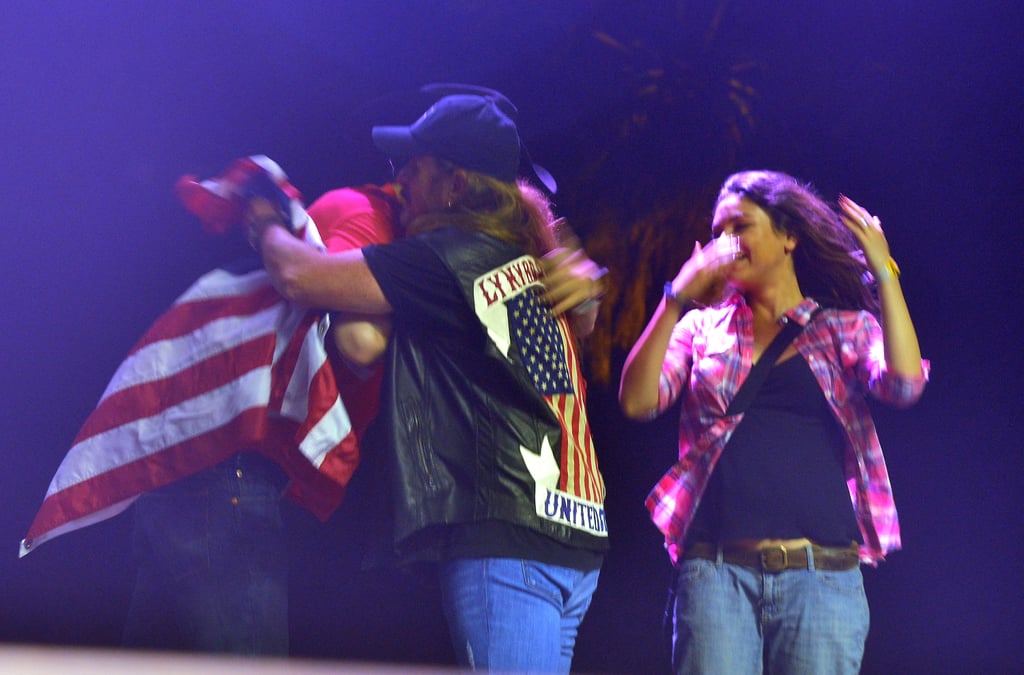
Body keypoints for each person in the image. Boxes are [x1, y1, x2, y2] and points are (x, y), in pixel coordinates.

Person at [248, 91, 609, 672]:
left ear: (455, 185)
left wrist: (266, 219)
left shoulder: (447, 257)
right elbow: (585, 311)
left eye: (413, 168)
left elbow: (300, 276)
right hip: (575, 529)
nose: (399, 182)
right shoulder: (537, 260)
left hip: (505, 537)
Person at [618, 170, 929, 674]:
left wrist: (884, 271)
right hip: (716, 575)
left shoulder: (840, 329)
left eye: (739, 226)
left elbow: (904, 384)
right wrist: (675, 298)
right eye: (717, 231)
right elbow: (637, 402)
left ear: (788, 237)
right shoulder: (699, 329)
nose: (724, 243)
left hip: (820, 579)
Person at [120, 164, 404, 655]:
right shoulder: (372, 215)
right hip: (229, 476)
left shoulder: (359, 210)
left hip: (195, 470)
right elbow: (359, 341)